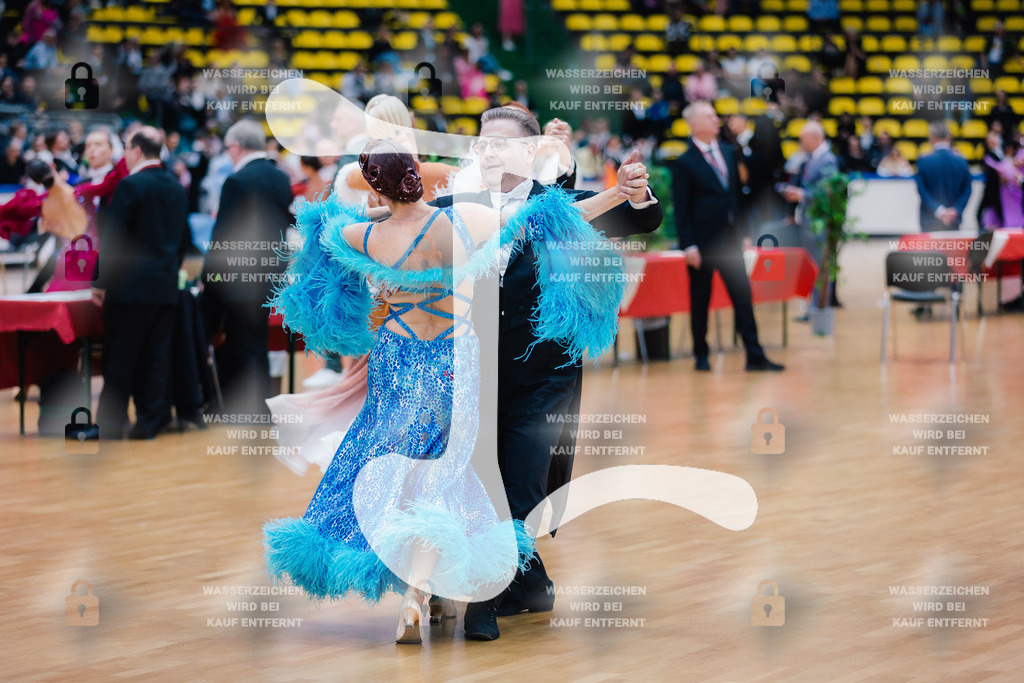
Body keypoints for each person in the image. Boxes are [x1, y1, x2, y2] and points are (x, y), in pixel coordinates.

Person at [263, 138, 632, 644]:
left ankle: (419, 594)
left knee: (394, 464)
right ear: (417, 175)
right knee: (446, 470)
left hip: (395, 358)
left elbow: (317, 249)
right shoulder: (464, 223)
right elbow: (554, 220)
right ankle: (430, 589)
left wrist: (375, 217)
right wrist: (616, 194)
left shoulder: (358, 235)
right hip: (452, 360)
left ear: (376, 185)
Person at [429, 106, 661, 641]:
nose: (489, 153)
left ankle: (483, 603)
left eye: (501, 145)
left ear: (530, 154)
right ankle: (530, 582)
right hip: (476, 380)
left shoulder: (565, 206)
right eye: (482, 144)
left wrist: (634, 190)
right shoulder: (455, 209)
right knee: (486, 489)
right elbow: (406, 232)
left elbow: (641, 219)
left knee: (522, 486)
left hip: (545, 380)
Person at [93, 127, 192, 439]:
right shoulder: (177, 188)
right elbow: (183, 241)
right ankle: (151, 421)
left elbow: (113, 240)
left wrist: (100, 281)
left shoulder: (130, 186)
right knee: (156, 357)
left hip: (130, 289)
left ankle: (110, 425)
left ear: (135, 150)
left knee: (120, 358)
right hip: (164, 287)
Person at [673, 101, 785, 372]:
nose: (716, 120)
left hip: (732, 241)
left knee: (743, 298)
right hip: (702, 244)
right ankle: (701, 354)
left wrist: (745, 233)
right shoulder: (685, 162)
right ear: (695, 124)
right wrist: (688, 245)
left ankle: (754, 355)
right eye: (710, 117)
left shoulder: (728, 151)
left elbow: (736, 198)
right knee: (700, 301)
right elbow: (681, 208)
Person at [201, 120, 293, 415]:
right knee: (256, 342)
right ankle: (257, 409)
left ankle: (249, 411)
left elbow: (223, 235)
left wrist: (208, 275)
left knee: (242, 343)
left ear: (236, 147)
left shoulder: (237, 181)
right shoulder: (280, 177)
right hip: (271, 274)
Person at [780, 120, 840, 311]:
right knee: (813, 265)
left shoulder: (827, 159)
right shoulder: (811, 157)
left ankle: (819, 306)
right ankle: (814, 306)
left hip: (819, 221)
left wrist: (802, 195)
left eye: (803, 139)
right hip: (811, 219)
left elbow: (828, 193)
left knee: (819, 264)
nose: (801, 143)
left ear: (816, 137)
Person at [915, 121, 972, 231]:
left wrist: (939, 210)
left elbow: (922, 190)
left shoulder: (923, 160)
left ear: (932, 137)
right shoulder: (961, 160)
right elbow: (967, 189)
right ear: (949, 137)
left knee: (930, 249)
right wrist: (955, 210)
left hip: (930, 219)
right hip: (953, 220)